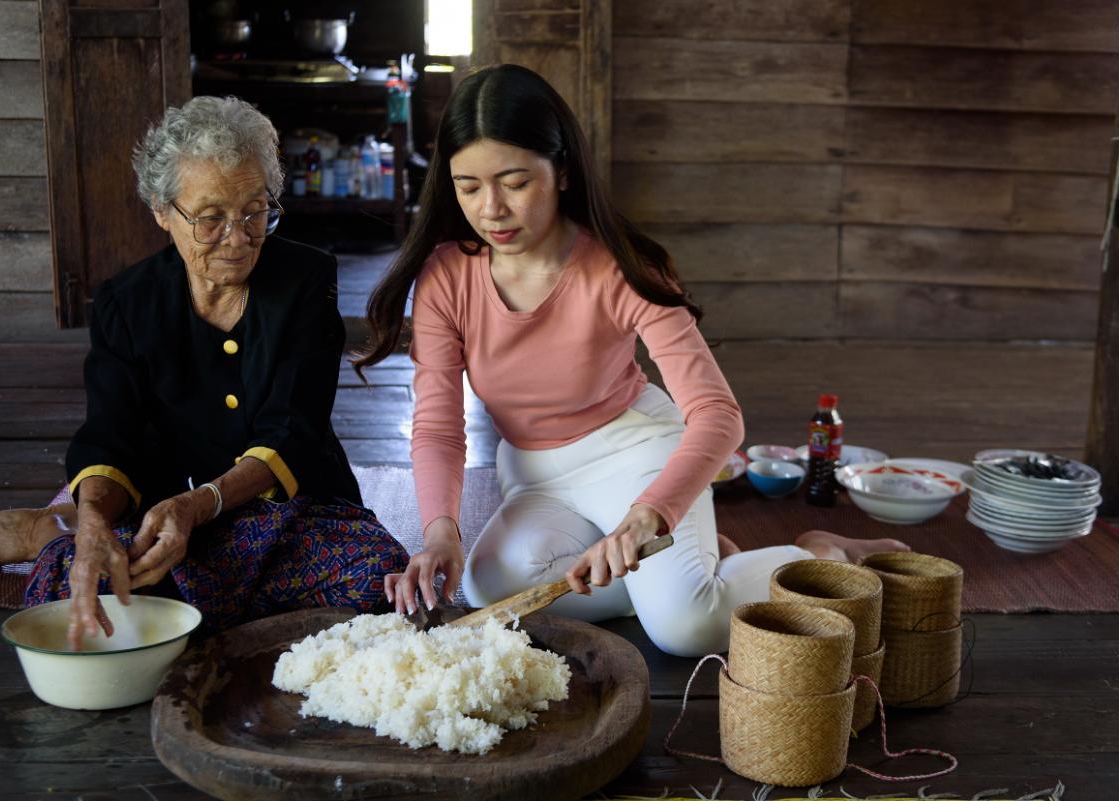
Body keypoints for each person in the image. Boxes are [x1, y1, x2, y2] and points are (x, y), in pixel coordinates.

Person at [353, 65, 907, 656]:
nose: (491, 210)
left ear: (561, 170)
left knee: (683, 629)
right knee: (489, 588)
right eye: (468, 187)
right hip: (536, 476)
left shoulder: (621, 268)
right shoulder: (446, 276)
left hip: (636, 452)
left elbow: (719, 416)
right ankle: (690, 566)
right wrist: (441, 531)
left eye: (514, 182)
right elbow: (438, 426)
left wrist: (647, 519)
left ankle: (818, 556)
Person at [0, 96, 408, 649]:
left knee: (378, 578)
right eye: (211, 219)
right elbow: (110, 433)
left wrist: (199, 505)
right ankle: (59, 529)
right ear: (163, 212)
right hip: (155, 515)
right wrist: (94, 525)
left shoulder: (306, 280)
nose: (237, 238)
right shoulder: (126, 303)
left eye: (255, 212)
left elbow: (293, 428)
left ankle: (72, 540)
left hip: (283, 508)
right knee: (76, 589)